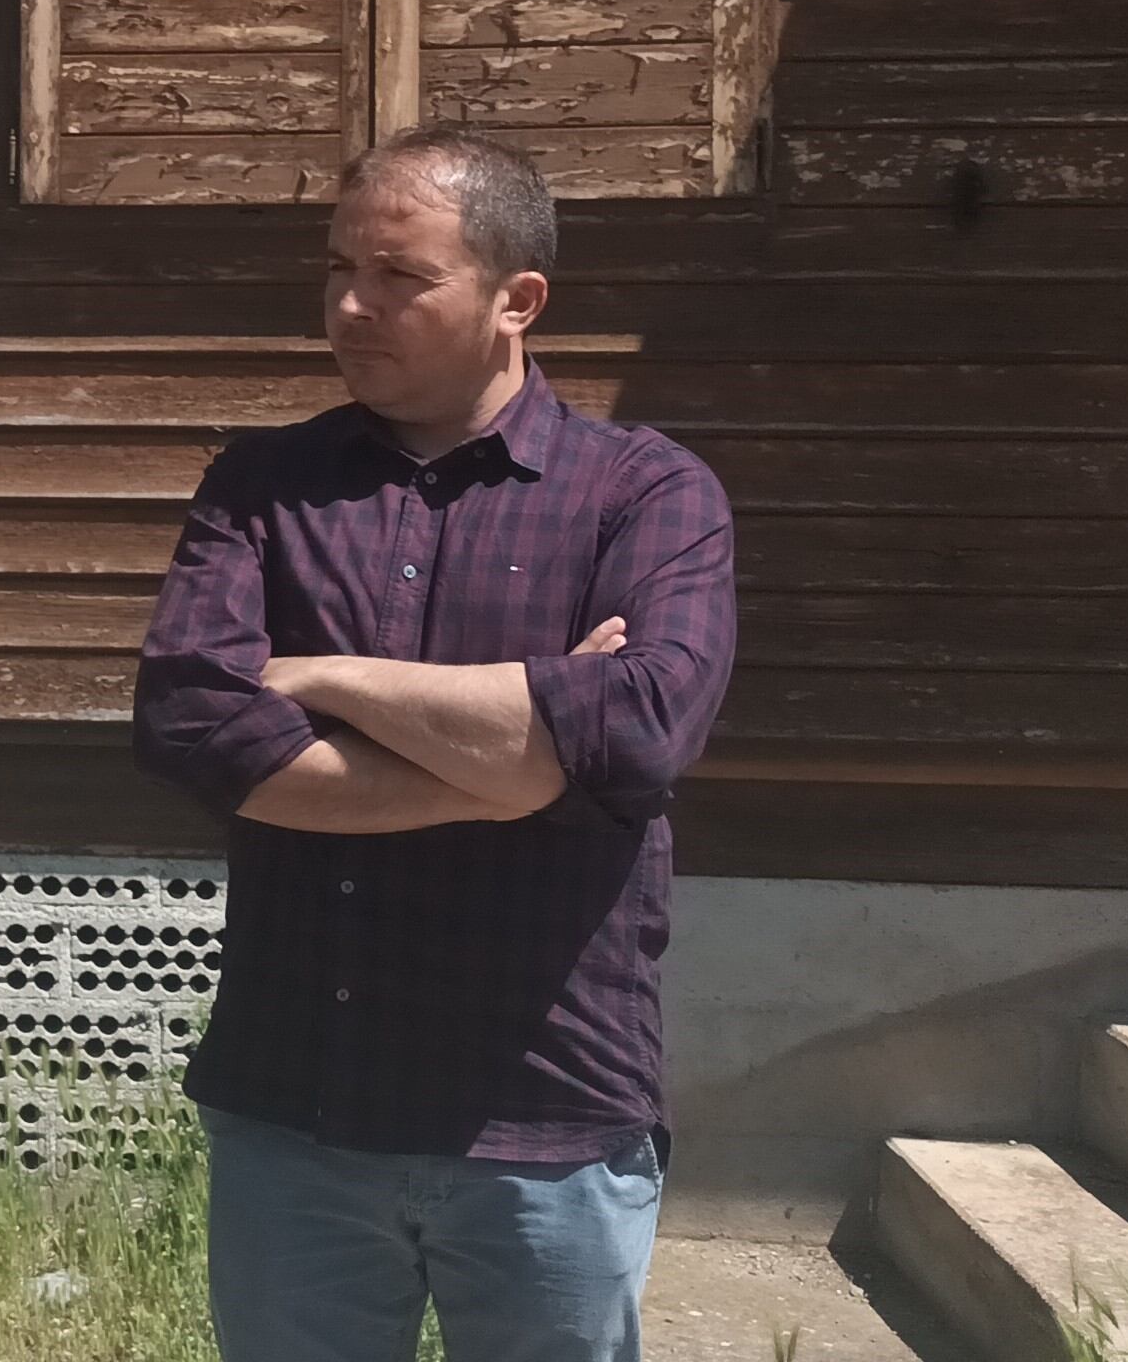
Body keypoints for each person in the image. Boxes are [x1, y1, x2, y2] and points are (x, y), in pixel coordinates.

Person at [131, 127, 737, 1362]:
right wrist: (526, 763)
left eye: (400, 275)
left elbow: (639, 734)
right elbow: (198, 725)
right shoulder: (264, 486)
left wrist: (329, 678)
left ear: (518, 300)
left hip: (547, 1113)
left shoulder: (645, 493)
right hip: (298, 1104)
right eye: (338, 268)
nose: (351, 305)